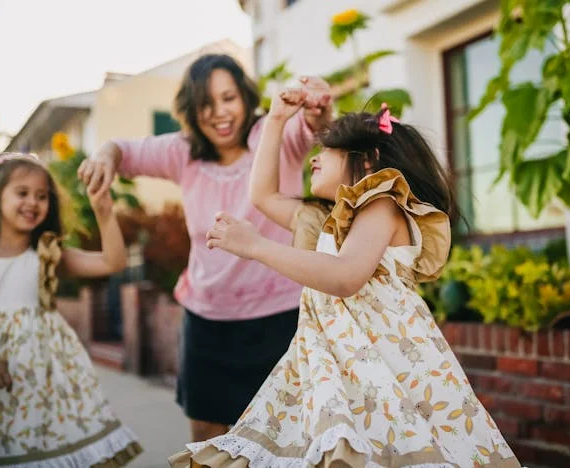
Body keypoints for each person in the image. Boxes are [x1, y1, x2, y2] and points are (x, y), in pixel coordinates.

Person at [170, 91, 522, 467]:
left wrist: (256, 246)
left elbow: (345, 276)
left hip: (386, 366)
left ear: (368, 162)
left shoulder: (382, 204)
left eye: (328, 151)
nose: (315, 158)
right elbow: (262, 194)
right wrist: (275, 121)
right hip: (333, 364)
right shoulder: (321, 218)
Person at [77, 54, 332, 442]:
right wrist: (104, 156)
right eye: (205, 104)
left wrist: (318, 108)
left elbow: (314, 127)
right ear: (192, 112)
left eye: (228, 98)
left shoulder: (274, 133)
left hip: (284, 319)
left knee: (287, 440)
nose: (219, 113)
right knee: (207, 441)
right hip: (207, 323)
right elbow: (121, 150)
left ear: (246, 97)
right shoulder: (183, 152)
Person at [0, 153, 142, 467]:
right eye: (22, 193)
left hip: (42, 387)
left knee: (40, 453)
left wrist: (104, 212)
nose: (33, 202)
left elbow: (112, 262)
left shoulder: (48, 253)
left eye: (42, 196)